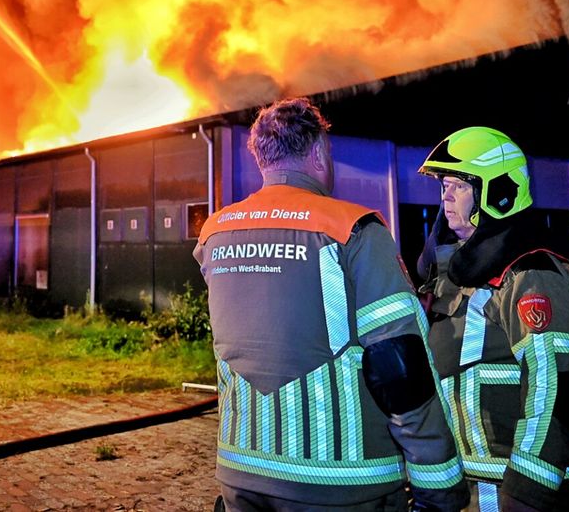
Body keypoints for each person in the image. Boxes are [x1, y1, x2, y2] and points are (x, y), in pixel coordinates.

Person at [195, 98, 467, 512]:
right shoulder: (352, 229)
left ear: (262, 158)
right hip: (342, 483)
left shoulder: (214, 234)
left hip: (241, 474)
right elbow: (400, 366)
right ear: (320, 152)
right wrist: (439, 484)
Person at [415, 127, 569, 511]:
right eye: (444, 185)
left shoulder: (531, 274)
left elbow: (557, 386)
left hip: (517, 491)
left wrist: (527, 490)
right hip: (473, 485)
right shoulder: (453, 273)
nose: (445, 196)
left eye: (460, 185)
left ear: (499, 193)